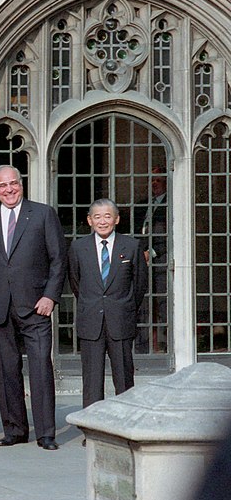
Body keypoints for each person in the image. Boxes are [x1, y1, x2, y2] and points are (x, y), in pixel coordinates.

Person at [0, 165, 66, 451]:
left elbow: (58, 258)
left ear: (22, 184)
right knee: (6, 370)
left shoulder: (42, 214)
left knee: (40, 369)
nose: (9, 189)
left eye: (14, 183)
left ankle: (46, 433)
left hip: (36, 306)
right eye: (3, 185)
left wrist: (50, 296)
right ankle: (14, 429)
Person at [68, 199, 147, 412]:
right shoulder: (78, 247)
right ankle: (94, 428)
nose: (103, 221)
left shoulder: (132, 246)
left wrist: (124, 307)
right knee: (92, 381)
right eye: (97, 217)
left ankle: (124, 426)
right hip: (91, 321)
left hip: (120, 320)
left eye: (107, 216)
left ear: (117, 219)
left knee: (124, 378)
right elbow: (76, 282)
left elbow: (139, 285)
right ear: (89, 221)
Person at [136, 168, 168, 353]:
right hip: (142, 259)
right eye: (152, 180)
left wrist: (152, 252)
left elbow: (171, 235)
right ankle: (144, 345)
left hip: (162, 261)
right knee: (144, 301)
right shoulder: (143, 205)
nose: (154, 183)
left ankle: (164, 344)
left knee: (163, 302)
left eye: (158, 180)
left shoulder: (171, 203)